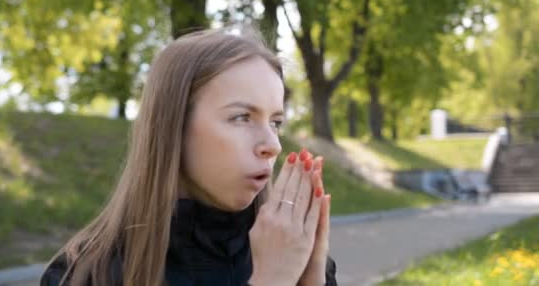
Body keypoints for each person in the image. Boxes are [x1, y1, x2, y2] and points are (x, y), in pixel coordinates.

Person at [40, 27, 338, 286]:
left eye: (275, 122)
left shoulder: (295, 256)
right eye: (242, 117)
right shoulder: (85, 275)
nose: (272, 144)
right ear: (174, 126)